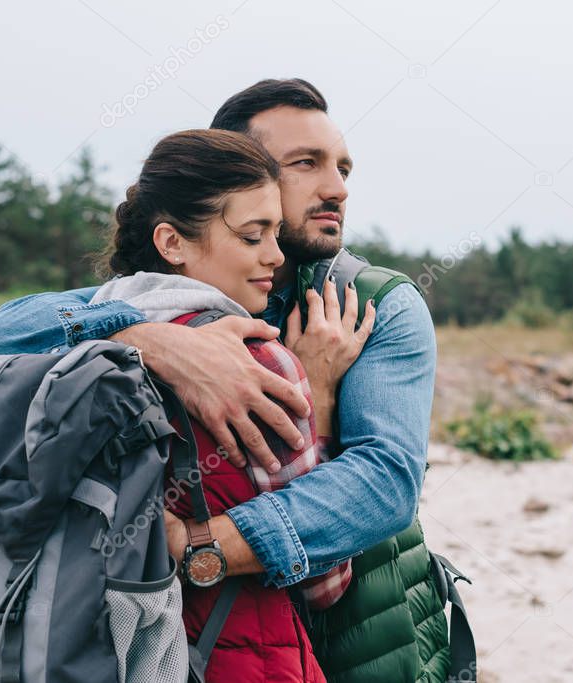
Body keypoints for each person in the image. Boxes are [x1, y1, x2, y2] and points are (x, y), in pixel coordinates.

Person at [90, 128, 373, 681]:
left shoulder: (73, 344)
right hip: (232, 659)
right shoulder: (259, 365)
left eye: (274, 232)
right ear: (172, 243)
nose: (275, 254)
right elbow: (324, 584)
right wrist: (319, 397)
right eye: (251, 236)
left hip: (92, 648)